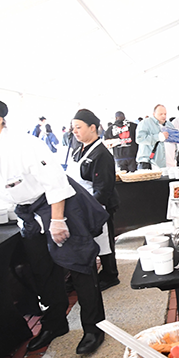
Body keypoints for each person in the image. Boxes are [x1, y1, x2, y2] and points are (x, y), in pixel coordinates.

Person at [0, 95, 109, 354]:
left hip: (58, 206)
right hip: (28, 214)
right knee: (43, 270)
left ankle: (94, 328)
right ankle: (56, 324)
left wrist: (58, 221)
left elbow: (56, 185)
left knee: (79, 266)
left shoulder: (26, 144)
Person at [70, 109, 121, 290]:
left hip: (99, 205)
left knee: (104, 240)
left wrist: (93, 209)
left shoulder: (101, 154)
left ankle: (110, 274)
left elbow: (103, 187)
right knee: (94, 240)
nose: (74, 131)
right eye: (73, 128)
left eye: (78, 127)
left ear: (93, 128)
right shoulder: (79, 149)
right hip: (82, 204)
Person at [136, 104, 172, 169]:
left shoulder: (169, 124)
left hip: (168, 165)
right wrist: (158, 137)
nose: (164, 116)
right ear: (154, 114)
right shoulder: (145, 123)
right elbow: (139, 139)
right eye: (161, 114)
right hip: (150, 163)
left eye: (165, 114)